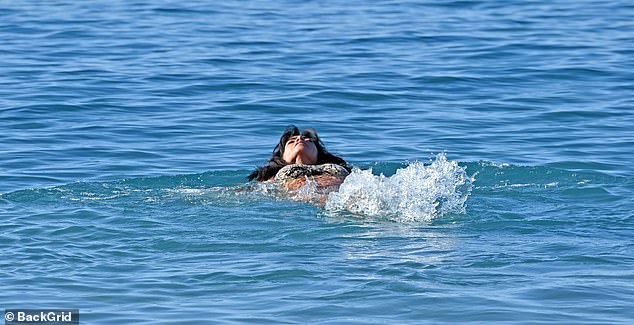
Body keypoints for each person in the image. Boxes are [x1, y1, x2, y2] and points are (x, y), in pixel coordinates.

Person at [248, 125, 351, 190]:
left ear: (318, 153)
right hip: (305, 199)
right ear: (282, 157)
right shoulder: (270, 177)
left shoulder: (342, 169)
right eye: (292, 141)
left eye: (308, 140)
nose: (299, 139)